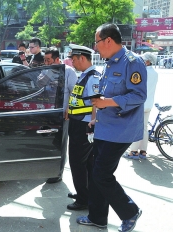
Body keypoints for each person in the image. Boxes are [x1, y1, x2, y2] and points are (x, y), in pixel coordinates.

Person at [76, 23, 146, 232]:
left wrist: (107, 102)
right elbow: (103, 95)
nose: (95, 48)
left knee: (101, 174)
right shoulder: (109, 63)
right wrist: (95, 115)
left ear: (108, 40)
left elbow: (138, 95)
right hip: (103, 127)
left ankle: (130, 212)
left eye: (96, 42)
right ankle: (97, 217)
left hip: (121, 130)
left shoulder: (132, 62)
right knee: (96, 173)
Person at [66, 44, 100, 210]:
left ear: (82, 58)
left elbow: (96, 103)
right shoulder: (84, 76)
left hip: (84, 125)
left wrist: (92, 125)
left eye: (74, 59)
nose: (72, 62)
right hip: (77, 122)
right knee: (85, 162)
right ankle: (84, 193)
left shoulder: (93, 77)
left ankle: (83, 200)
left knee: (78, 162)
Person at [43, 47, 78, 184]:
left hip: (62, 114)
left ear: (57, 59)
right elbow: (39, 84)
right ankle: (48, 169)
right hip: (47, 112)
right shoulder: (46, 71)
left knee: (61, 144)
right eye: (45, 60)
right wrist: (47, 73)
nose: (46, 63)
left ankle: (57, 173)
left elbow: (74, 92)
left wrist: (68, 109)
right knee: (49, 142)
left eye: (49, 60)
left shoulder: (68, 72)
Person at [123, 52, 158, 159]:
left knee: (136, 127)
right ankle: (143, 151)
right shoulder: (155, 73)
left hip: (140, 103)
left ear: (147, 61)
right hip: (149, 103)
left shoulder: (142, 72)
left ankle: (133, 151)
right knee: (144, 127)